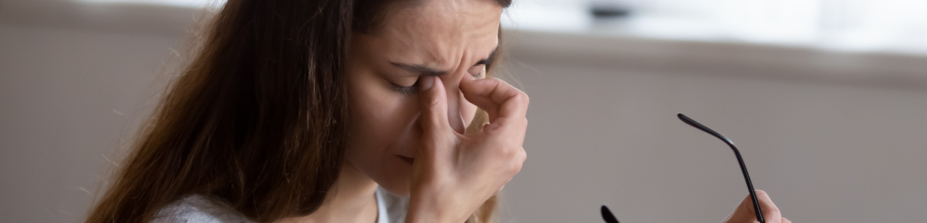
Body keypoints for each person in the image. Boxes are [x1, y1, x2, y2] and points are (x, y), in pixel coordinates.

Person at [85, 0, 792, 222]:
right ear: (302, 68)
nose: (448, 119)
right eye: (410, 78)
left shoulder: (389, 208)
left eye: (477, 69)